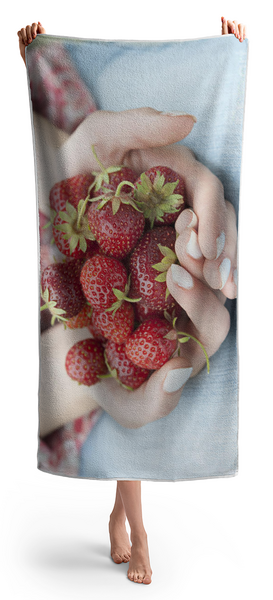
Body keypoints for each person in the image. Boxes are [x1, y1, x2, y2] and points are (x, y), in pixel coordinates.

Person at [17, 18, 246, 585]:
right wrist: (36, 59)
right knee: (130, 405)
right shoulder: (80, 224)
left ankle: (124, 522)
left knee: (134, 398)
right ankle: (136, 533)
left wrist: (227, 55)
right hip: (73, 285)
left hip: (96, 296)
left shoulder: (86, 114)